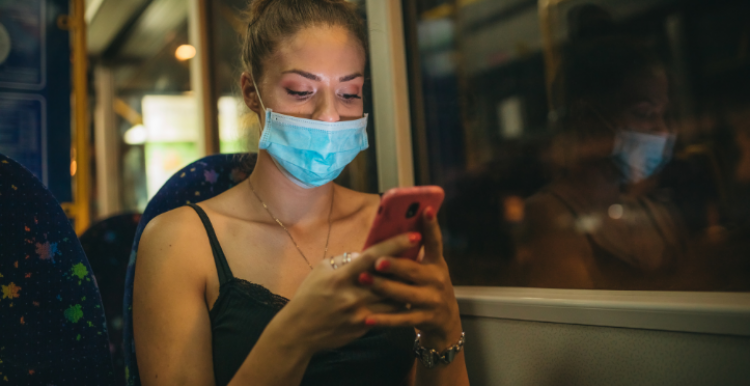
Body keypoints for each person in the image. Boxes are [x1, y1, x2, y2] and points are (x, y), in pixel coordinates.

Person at [133, 1, 469, 385]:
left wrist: (444, 329)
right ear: (251, 93)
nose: (329, 116)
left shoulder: (391, 231)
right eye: (301, 91)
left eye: (349, 93)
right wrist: (295, 335)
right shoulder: (178, 243)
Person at [515, 29, 689, 289]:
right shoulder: (552, 215)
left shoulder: (656, 214)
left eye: (664, 114)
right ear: (588, 118)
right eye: (644, 113)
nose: (662, 131)